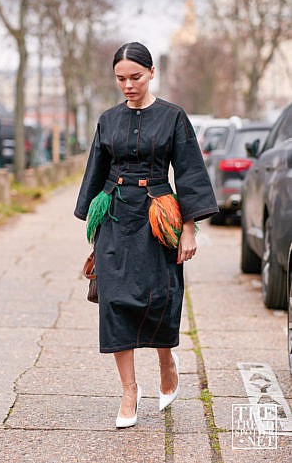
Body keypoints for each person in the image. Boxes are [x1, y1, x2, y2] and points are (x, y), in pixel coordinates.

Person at [74, 42, 218, 428]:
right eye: (120, 78)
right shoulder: (107, 119)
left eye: (135, 77)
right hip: (116, 214)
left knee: (159, 298)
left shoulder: (173, 117)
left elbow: (189, 173)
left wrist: (189, 230)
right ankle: (129, 391)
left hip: (159, 217)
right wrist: (93, 219)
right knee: (115, 300)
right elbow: (96, 168)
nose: (128, 85)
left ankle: (167, 362)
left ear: (152, 73)